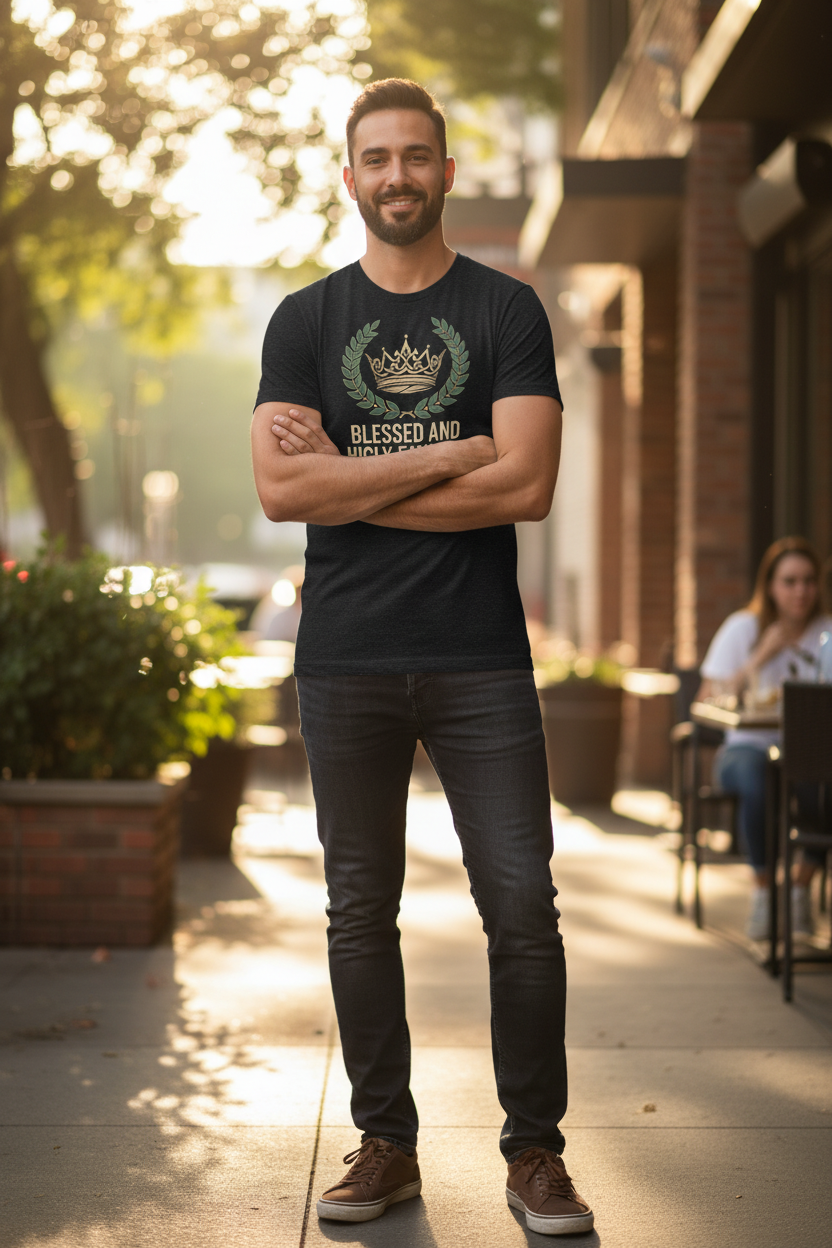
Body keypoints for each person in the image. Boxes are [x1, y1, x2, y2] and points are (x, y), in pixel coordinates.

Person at [250, 79, 593, 1236]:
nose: (397, 175)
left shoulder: (507, 309)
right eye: (376, 158)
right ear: (349, 177)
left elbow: (531, 485)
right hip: (343, 661)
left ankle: (535, 1154)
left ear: (446, 172)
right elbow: (278, 486)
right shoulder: (304, 320)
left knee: (521, 908)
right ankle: (384, 1144)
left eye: (417, 156)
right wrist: (455, 453)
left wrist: (351, 475)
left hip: (480, 659)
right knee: (358, 912)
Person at [699, 536, 832, 941]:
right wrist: (762, 655)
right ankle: (761, 893)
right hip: (746, 747)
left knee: (824, 789)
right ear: (770, 586)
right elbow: (706, 700)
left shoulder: (826, 634)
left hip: (807, 753)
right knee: (757, 781)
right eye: (789, 581)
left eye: (808, 581)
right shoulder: (744, 628)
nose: (800, 591)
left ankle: (798, 888)